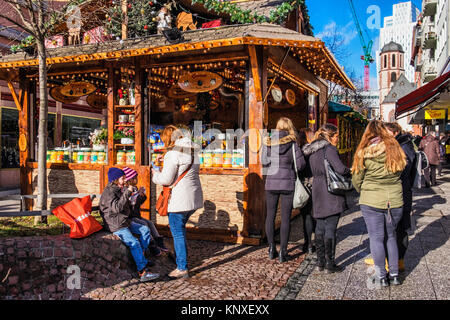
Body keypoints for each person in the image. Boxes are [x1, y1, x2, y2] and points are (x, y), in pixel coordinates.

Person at [352, 120, 406, 287]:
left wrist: (364, 190)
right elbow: (403, 168)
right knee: (391, 236)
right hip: (394, 200)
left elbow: (356, 178)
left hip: (371, 200)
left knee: (376, 239)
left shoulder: (363, 152)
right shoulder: (395, 149)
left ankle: (381, 276)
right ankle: (395, 275)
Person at [152, 125, 203, 279]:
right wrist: (165, 158)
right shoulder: (192, 152)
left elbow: (166, 180)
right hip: (193, 199)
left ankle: (182, 267)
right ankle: (180, 256)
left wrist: (155, 172)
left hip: (179, 200)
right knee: (180, 230)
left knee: (178, 233)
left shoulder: (173, 155)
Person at [99, 167, 160, 282]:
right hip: (116, 224)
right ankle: (142, 272)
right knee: (134, 242)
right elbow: (117, 208)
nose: (125, 179)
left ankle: (141, 258)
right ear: (116, 179)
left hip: (124, 220)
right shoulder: (110, 192)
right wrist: (127, 193)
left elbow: (125, 205)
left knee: (145, 229)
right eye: (123, 178)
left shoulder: (119, 188)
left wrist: (136, 197)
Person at [305, 123, 349, 273]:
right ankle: (330, 264)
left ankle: (320, 262)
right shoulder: (329, 149)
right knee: (330, 227)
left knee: (320, 226)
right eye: (336, 136)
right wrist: (350, 170)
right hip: (330, 190)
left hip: (317, 188)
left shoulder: (312, 149)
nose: (338, 139)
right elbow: (340, 169)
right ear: (329, 136)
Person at [262, 117, 306, 263]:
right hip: (287, 183)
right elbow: (300, 165)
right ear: (289, 128)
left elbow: (264, 162)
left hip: (271, 183)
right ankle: (283, 252)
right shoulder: (293, 144)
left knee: (270, 216)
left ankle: (271, 248)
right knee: (286, 218)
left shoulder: (268, 143)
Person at [380, 122, 416, 272]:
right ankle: (391, 259)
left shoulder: (404, 146)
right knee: (395, 228)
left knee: (399, 228)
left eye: (386, 133)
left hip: (401, 193)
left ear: (395, 133)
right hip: (401, 191)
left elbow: (404, 171)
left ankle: (397, 261)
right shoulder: (403, 144)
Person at [122, 166, 169, 254]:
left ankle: (159, 241)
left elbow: (138, 203)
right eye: (135, 178)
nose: (137, 179)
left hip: (137, 214)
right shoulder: (125, 190)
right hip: (131, 216)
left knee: (150, 223)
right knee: (144, 224)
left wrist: (141, 196)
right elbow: (129, 204)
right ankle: (151, 244)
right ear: (129, 180)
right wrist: (135, 196)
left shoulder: (135, 188)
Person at [298, 127, 316, 255]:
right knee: (314, 215)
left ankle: (308, 244)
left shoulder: (300, 151)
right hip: (316, 185)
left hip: (304, 186)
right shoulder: (316, 150)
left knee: (306, 216)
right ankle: (314, 243)